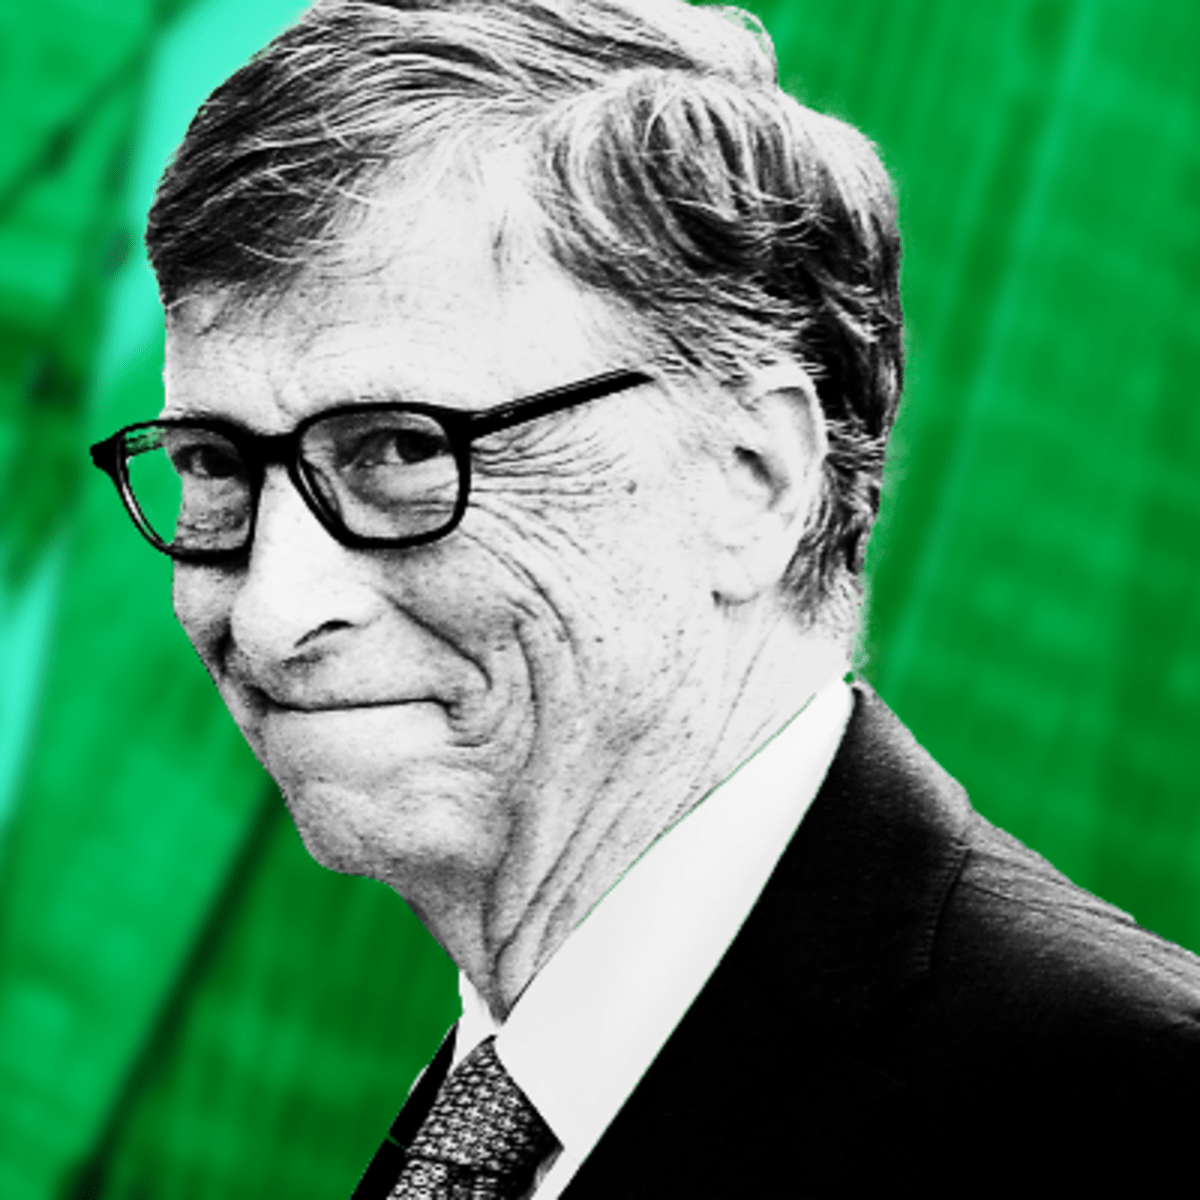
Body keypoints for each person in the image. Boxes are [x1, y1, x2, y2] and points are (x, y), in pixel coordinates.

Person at [88, 0, 1200, 1194]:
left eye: (404, 450)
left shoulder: (1128, 1116)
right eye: (213, 463)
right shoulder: (501, 1102)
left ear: (754, 478)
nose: (271, 615)